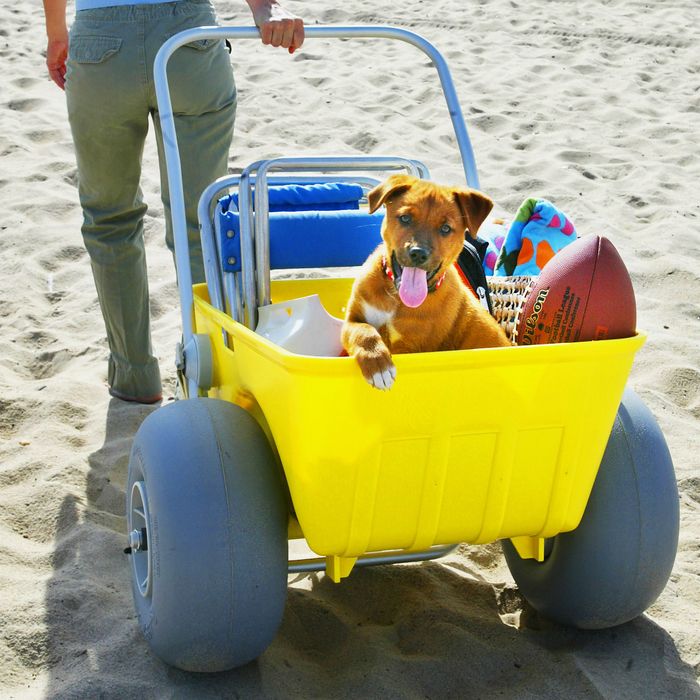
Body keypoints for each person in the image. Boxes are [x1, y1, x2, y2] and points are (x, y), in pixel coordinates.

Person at [42, 0, 304, 403]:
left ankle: (133, 377)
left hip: (100, 47)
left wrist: (57, 34)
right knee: (201, 221)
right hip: (187, 38)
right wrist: (264, 8)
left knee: (109, 218)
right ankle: (213, 372)